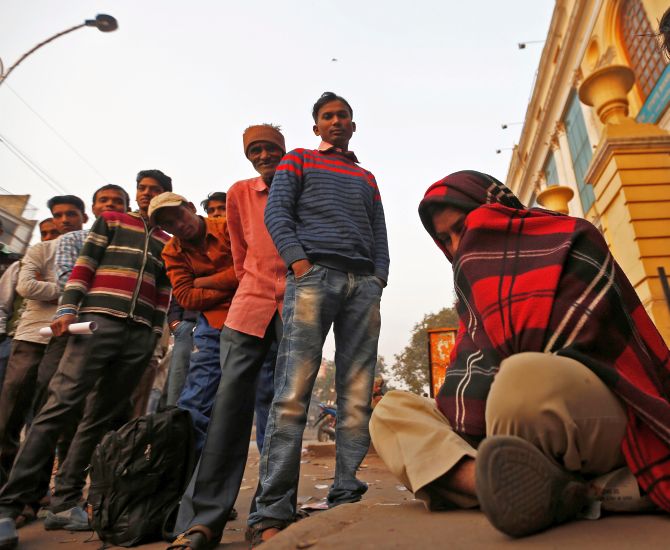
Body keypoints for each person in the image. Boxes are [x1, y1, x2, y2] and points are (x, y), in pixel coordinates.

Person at [370, 170, 670, 537]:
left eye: (463, 227)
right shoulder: (471, 293)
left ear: (497, 210)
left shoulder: (570, 236)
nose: (456, 246)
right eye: (445, 239)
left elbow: (599, 351)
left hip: (595, 416)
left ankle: (550, 487)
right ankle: (503, 485)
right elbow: (466, 381)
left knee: (520, 381)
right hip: (500, 431)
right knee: (391, 411)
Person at [0, 170, 172, 550]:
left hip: (138, 335)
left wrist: (153, 337)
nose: (147, 195)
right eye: (142, 189)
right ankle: (7, 507)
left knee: (98, 420)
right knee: (58, 407)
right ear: (136, 195)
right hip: (95, 323)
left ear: (165, 197)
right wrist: (67, 310)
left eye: (155, 191)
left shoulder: (166, 241)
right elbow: (84, 268)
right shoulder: (111, 221)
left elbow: (163, 293)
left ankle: (64, 501)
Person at [248, 92, 390, 545]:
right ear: (316, 127)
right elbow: (277, 213)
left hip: (362, 284)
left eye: (342, 115)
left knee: (356, 394)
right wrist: (299, 264)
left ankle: (347, 493)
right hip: (314, 279)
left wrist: (379, 278)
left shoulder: (366, 177)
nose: (336, 121)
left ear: (353, 124)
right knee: (293, 394)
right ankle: (271, 510)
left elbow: (379, 231)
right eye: (327, 116)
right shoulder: (299, 161)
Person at [169, 124, 287, 550]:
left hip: (294, 307)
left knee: (280, 411)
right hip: (249, 306)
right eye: (254, 149)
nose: (262, 154)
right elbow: (239, 254)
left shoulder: (301, 184)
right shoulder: (240, 192)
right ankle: (202, 521)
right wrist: (248, 281)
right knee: (227, 410)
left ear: (282, 149)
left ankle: (269, 514)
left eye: (269, 147)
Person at [0, 196, 88, 488]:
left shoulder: (90, 251)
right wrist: (70, 290)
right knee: (11, 410)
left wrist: (52, 289)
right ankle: (6, 487)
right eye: (58, 215)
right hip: (31, 336)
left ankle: (34, 492)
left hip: (70, 337)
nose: (64, 221)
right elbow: (26, 287)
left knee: (49, 416)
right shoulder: (40, 250)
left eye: (71, 214)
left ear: (84, 218)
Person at [151, 192, 237, 451]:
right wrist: (232, 283)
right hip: (211, 324)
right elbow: (186, 297)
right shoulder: (172, 250)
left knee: (265, 393)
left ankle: (270, 484)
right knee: (196, 399)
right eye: (169, 224)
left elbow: (250, 270)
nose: (178, 225)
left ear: (189, 207)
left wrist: (204, 281)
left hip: (253, 316)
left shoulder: (228, 227)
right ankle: (185, 468)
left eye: (178, 215)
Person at [0, 219, 60, 394]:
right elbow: (3, 301)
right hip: (11, 339)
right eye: (44, 233)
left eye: (54, 233)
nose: (48, 237)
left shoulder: (74, 268)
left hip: (49, 341)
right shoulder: (21, 265)